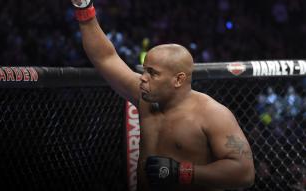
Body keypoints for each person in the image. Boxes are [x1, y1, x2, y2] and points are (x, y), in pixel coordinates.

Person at [72, 1, 255, 190]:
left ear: (178, 80)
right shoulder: (145, 98)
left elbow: (245, 172)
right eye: (144, 71)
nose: (143, 78)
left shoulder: (212, 114)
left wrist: (182, 172)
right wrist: (84, 7)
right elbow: (105, 57)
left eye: (153, 73)